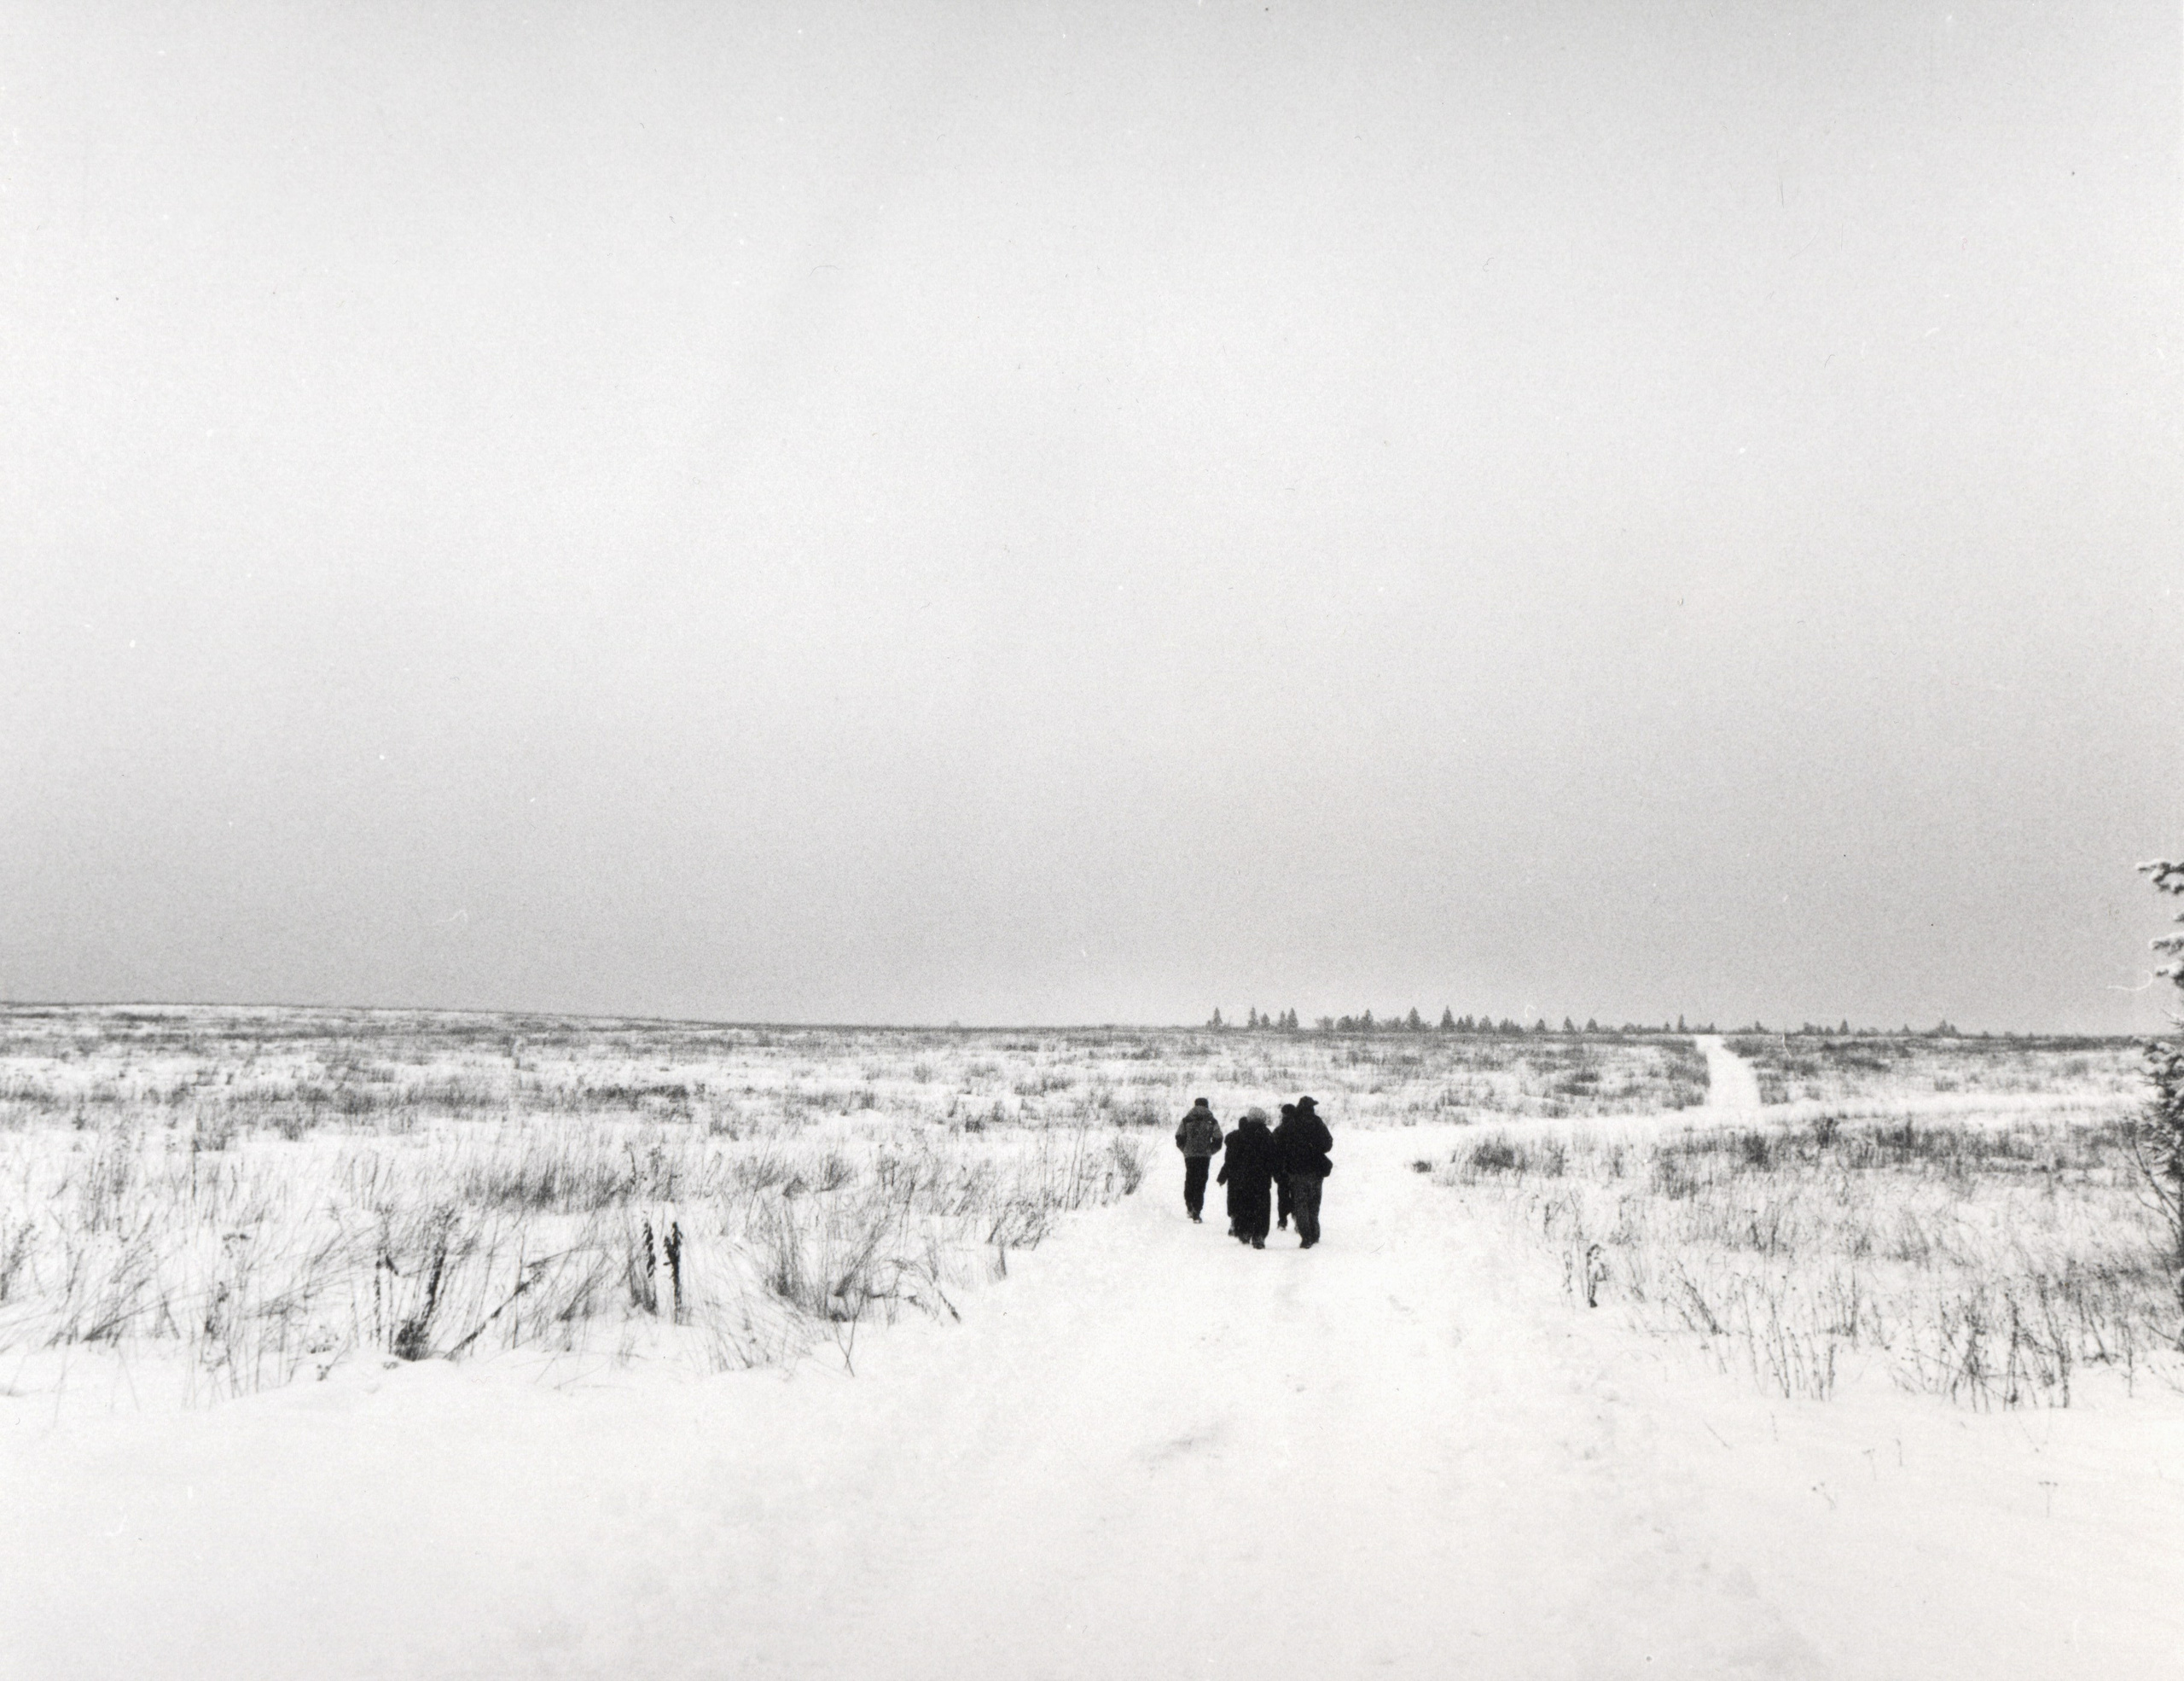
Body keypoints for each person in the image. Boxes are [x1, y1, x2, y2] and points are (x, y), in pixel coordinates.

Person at [1272, 1095, 1334, 1248]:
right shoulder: (1317, 1122)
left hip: (1297, 1170)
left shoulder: (1291, 1123)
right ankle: (1315, 1233)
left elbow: (1278, 1141)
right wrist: (1315, 1149)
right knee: (1314, 1203)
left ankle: (1306, 1237)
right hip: (1317, 1169)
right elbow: (1328, 1144)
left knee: (1300, 1204)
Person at [1217, 1107, 1280, 1248]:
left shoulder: (1240, 1135)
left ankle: (1244, 1232)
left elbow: (1231, 1160)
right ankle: (1259, 1236)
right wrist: (1278, 1175)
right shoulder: (1267, 1135)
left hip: (1242, 1179)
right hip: (1262, 1180)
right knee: (1262, 1208)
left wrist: (1224, 1175)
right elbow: (1274, 1158)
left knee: (1245, 1206)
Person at [1173, 1096, 1223, 1222]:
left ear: (1195, 1105)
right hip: (1204, 1156)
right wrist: (1211, 1150)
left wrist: (1185, 1149)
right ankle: (1197, 1211)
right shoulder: (1211, 1121)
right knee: (1201, 1182)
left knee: (1190, 1179)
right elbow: (1218, 1138)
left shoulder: (1186, 1120)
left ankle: (1189, 1205)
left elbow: (1179, 1137)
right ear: (1207, 1106)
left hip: (1190, 1156)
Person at [1274, 1102, 1298, 1229]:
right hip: (1296, 1168)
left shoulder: (1279, 1130)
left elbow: (1273, 1150)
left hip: (1281, 1168)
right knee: (1296, 1194)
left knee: (1282, 1195)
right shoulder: (1299, 1129)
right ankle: (1296, 1217)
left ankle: (1282, 1220)